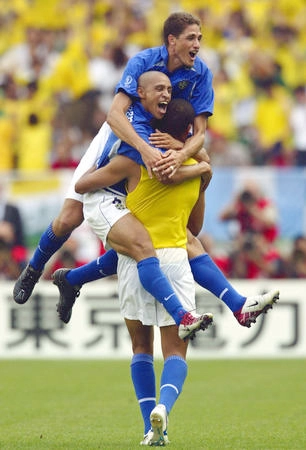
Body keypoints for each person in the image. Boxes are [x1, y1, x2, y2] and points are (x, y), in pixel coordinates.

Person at [13, 11, 279, 329]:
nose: (198, 44)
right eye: (191, 38)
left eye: (200, 38)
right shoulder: (144, 62)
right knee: (71, 217)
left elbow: (200, 135)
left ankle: (236, 306)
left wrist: (180, 156)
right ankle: (34, 268)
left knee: (163, 239)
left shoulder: (201, 74)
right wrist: (149, 151)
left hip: (158, 148)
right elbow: (115, 115)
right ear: (172, 41)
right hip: (120, 143)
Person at [74, 88, 213, 447]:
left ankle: (149, 429)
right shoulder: (195, 169)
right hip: (174, 261)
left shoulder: (133, 162)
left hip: (135, 260)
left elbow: (83, 184)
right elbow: (194, 230)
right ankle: (163, 411)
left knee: (140, 347)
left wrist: (98, 163)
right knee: (175, 352)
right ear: (187, 135)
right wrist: (200, 173)